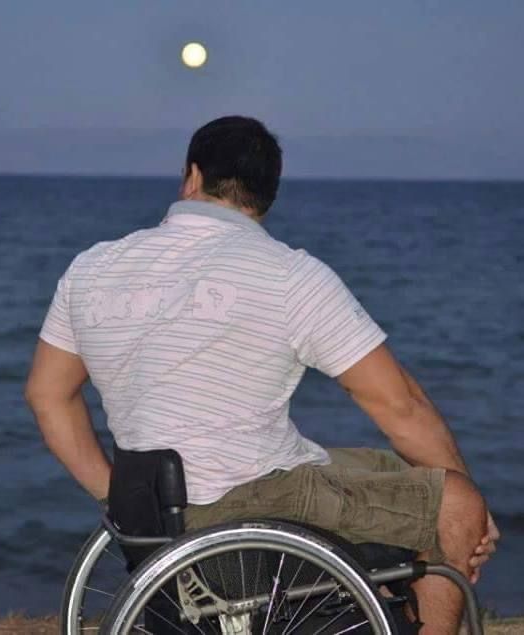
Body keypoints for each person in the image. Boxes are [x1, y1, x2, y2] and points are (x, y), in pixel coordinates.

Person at [25, 115, 499, 634]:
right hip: (246, 518)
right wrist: (473, 517)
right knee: (455, 503)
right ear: (268, 194)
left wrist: (119, 500)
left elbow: (48, 397)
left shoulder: (92, 267)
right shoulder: (287, 274)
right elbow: (399, 405)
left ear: (192, 176)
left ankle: (381, 603)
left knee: (391, 467)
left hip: (157, 515)